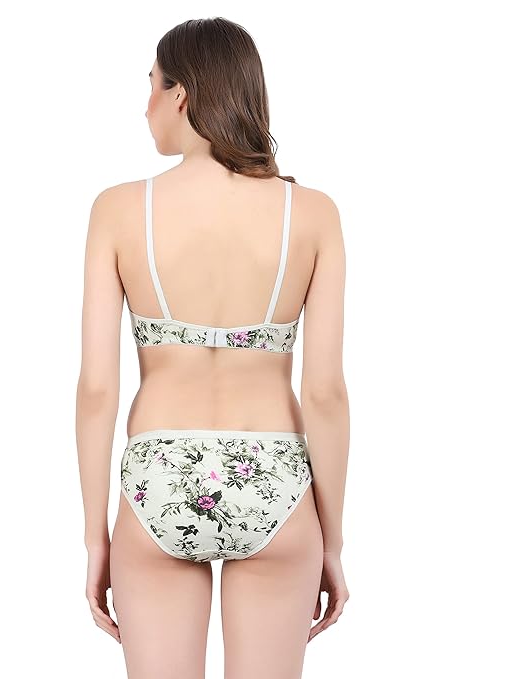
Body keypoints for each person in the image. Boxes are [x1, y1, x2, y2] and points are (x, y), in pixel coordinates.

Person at [76, 16, 350, 679]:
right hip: (275, 479)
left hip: (158, 476)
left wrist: (94, 537)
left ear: (180, 93)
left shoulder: (118, 210)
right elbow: (324, 393)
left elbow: (97, 390)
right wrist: (331, 541)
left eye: (150, 84)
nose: (144, 104)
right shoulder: (312, 214)